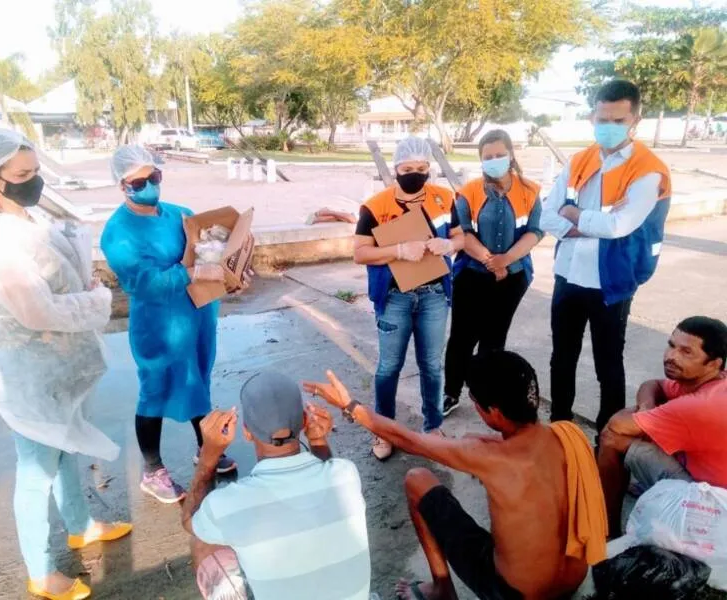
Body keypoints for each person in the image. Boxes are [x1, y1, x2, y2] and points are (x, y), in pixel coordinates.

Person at [0, 130, 131, 600]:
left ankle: (80, 526)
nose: (33, 181)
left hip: (60, 364)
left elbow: (57, 282)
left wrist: (82, 281)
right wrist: (95, 300)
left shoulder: (30, 220)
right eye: (22, 174)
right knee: (37, 471)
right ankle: (40, 571)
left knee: (66, 448)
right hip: (28, 373)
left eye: (36, 171)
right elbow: (36, 311)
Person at [306, 351, 608, 600]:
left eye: (474, 402)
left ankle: (442, 589)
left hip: (515, 594)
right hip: (573, 580)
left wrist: (349, 405)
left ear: (494, 412)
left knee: (417, 479)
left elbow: (409, 440)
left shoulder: (487, 457)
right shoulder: (567, 435)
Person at [101, 145, 240, 504]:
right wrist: (190, 272)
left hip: (197, 315)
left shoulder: (181, 215)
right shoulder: (118, 233)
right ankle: (153, 470)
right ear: (122, 185)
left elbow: (212, 252)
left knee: (197, 380)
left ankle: (206, 448)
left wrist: (232, 271)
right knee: (155, 390)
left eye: (154, 176)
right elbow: (143, 284)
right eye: (138, 182)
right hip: (159, 325)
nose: (149, 185)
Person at [540, 79, 672, 435]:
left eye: (618, 121)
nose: (608, 127)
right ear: (592, 117)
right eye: (602, 120)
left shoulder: (647, 170)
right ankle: (560, 428)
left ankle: (609, 437)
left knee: (608, 363)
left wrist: (574, 216)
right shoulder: (580, 160)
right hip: (568, 275)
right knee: (562, 357)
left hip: (611, 282)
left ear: (635, 121)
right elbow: (546, 214)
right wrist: (584, 225)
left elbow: (620, 225)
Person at [181, 371, 371, 600]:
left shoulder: (227, 505)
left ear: (246, 433)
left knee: (202, 540)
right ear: (304, 421)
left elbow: (190, 520)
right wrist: (318, 441)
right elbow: (326, 480)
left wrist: (209, 455)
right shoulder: (346, 473)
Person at [354, 136, 465, 460]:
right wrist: (399, 250)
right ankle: (384, 430)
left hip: (434, 295)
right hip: (394, 297)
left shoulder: (445, 198)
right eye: (407, 169)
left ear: (429, 168)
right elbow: (360, 252)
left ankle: (433, 427)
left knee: (431, 365)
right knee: (389, 366)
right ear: (396, 169)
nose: (415, 174)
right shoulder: (376, 206)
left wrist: (450, 245)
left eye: (421, 168)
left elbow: (461, 237)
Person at [443, 129, 543, 416]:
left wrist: (506, 260)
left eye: (499, 154)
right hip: (472, 274)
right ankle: (451, 392)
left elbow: (535, 232)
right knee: (462, 337)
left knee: (494, 338)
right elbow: (463, 233)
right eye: (488, 157)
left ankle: (484, 394)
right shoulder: (469, 192)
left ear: (511, 155)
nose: (494, 160)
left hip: (513, 276)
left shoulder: (531, 191)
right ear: (481, 160)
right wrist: (491, 261)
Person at [598, 316, 727, 536]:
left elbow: (617, 425)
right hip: (710, 477)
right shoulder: (709, 381)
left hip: (713, 500)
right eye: (671, 345)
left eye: (686, 352)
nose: (671, 356)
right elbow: (652, 384)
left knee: (611, 439)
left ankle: (606, 528)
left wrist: (642, 416)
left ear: (714, 364)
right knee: (646, 426)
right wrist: (647, 408)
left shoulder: (698, 405)